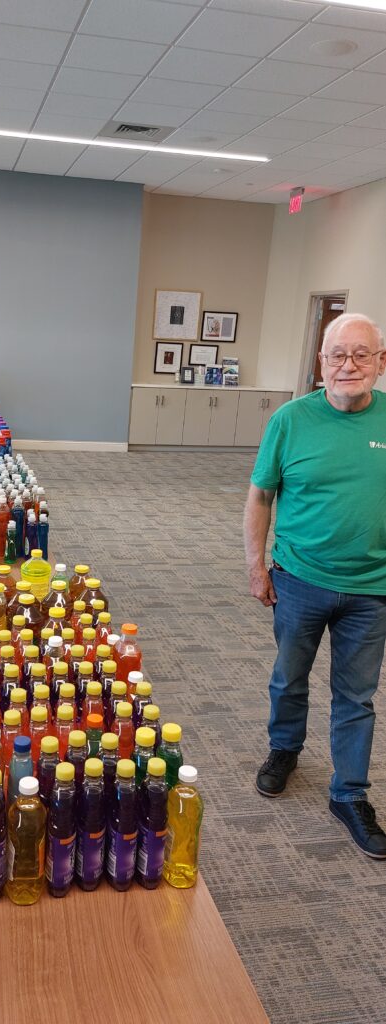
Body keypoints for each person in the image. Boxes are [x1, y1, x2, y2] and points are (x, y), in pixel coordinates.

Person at [244, 313, 386, 859]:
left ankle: (349, 795)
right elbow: (260, 497)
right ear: (321, 361)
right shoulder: (290, 420)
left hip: (373, 590)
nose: (349, 365)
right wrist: (256, 566)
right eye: (337, 355)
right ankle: (284, 749)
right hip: (299, 580)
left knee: (357, 696)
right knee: (289, 678)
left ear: (379, 362)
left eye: (361, 354)